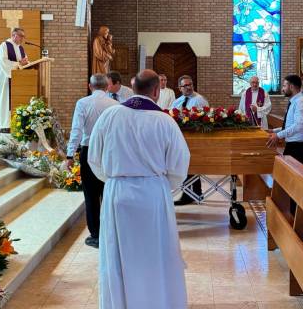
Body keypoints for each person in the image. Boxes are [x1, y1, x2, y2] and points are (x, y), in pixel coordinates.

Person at [88, 69, 189, 309]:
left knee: (118, 257)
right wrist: (160, 185)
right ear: (157, 91)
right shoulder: (165, 121)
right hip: (153, 195)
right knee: (156, 255)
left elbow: (94, 158)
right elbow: (179, 166)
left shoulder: (110, 116)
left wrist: (114, 179)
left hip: (117, 194)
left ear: (133, 88)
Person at [66, 74, 119, 248]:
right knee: (108, 192)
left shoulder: (83, 103)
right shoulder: (115, 105)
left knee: (90, 195)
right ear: (107, 87)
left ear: (90, 86)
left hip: (88, 151)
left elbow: (77, 130)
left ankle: (95, 235)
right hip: (108, 152)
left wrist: (69, 154)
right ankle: (111, 232)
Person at [172, 74, 209, 205]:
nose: (188, 87)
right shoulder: (177, 102)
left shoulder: (200, 100)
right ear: (179, 88)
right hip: (181, 139)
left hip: (196, 139)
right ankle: (194, 193)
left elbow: (207, 119)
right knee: (186, 166)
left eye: (190, 85)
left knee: (192, 165)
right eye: (185, 86)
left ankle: (191, 194)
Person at [267, 74, 303, 167]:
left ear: (291, 87)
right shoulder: (294, 101)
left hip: (299, 148)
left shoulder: (301, 102)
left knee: (297, 180)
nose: (282, 89)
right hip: (292, 146)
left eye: (284, 85)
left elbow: (298, 126)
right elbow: (290, 124)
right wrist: (273, 131)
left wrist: (278, 135)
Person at [0, 28, 28, 132]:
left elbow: (23, 61)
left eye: (23, 36)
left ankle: (15, 125)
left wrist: (25, 62)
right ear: (14, 35)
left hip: (18, 80)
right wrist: (19, 63)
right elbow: (3, 62)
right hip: (5, 79)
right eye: (21, 36)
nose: (23, 38)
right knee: (5, 101)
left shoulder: (21, 48)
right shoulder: (4, 46)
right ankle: (5, 125)